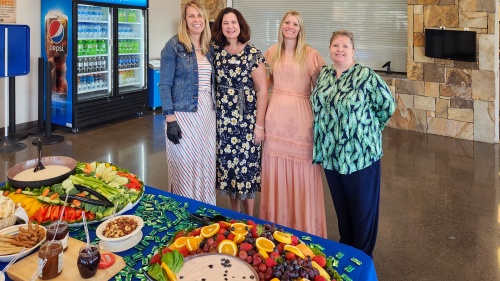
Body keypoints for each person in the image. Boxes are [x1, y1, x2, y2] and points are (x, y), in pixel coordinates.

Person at [311, 30, 396, 257]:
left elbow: (387, 105)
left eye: (345, 46)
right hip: (331, 155)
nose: (340, 49)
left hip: (360, 157)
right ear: (329, 49)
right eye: (336, 45)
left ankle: (362, 259)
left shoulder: (365, 75)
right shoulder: (325, 74)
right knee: (342, 209)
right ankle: (347, 251)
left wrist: (368, 130)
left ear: (353, 51)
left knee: (362, 211)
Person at [258, 11, 327, 237]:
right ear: (281, 26)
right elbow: (263, 85)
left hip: (301, 122)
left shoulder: (311, 55)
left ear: (300, 28)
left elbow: (321, 90)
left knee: (304, 172)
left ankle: (304, 228)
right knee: (274, 172)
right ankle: (275, 228)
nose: (290, 27)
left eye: (295, 24)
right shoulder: (271, 52)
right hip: (275, 120)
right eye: (287, 22)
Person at [211, 8, 268, 215]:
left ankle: (249, 217)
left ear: (240, 24)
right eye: (225, 23)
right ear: (220, 27)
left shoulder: (252, 53)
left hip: (246, 121)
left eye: (233, 22)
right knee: (229, 168)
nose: (230, 26)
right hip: (224, 120)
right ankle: (234, 214)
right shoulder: (216, 52)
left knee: (246, 170)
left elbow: (262, 90)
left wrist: (259, 126)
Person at [159, 1, 216, 205]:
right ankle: (185, 208)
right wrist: (170, 118)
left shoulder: (210, 48)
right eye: (191, 16)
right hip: (183, 113)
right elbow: (164, 84)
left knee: (204, 162)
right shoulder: (173, 46)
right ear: (185, 20)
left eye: (199, 16)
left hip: (207, 114)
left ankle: (204, 206)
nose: (196, 20)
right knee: (184, 163)